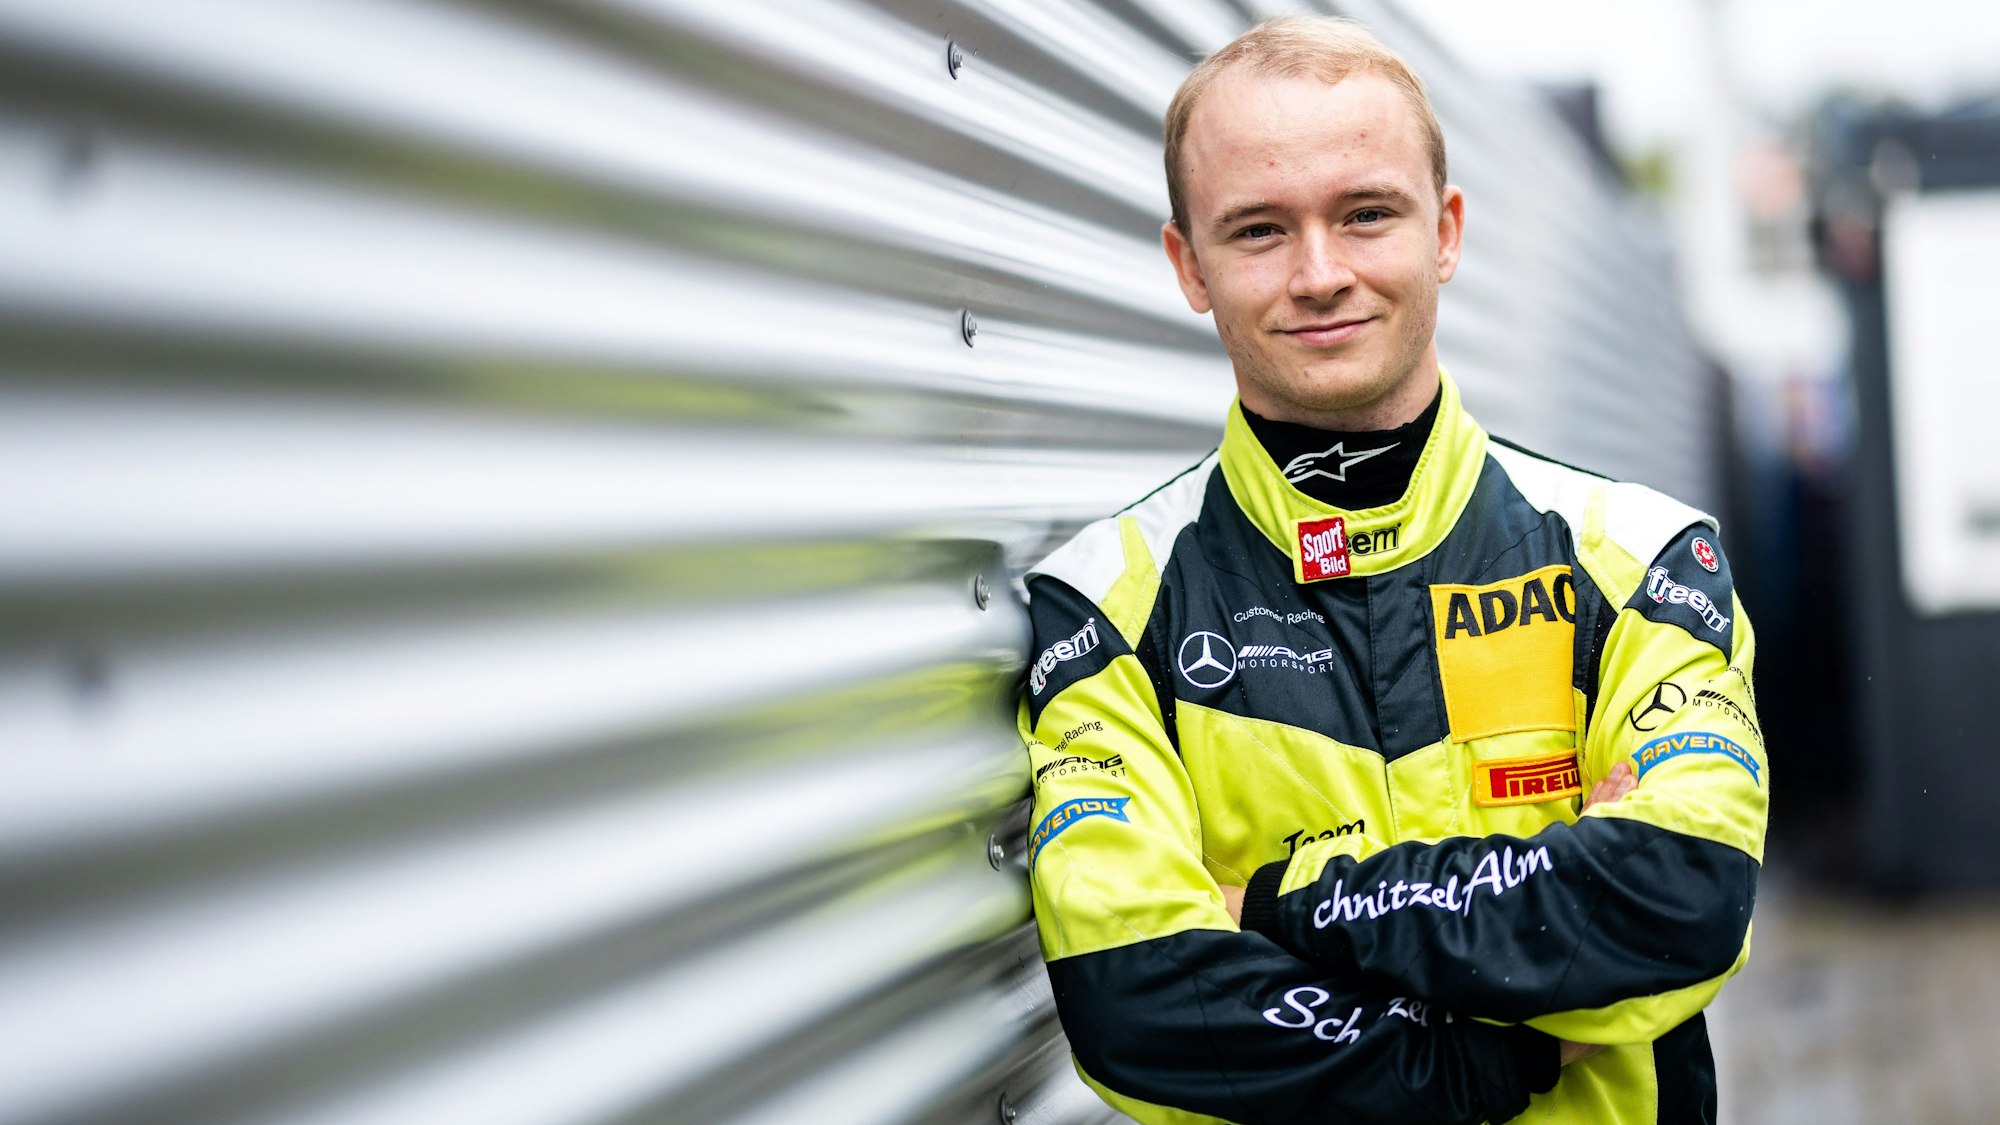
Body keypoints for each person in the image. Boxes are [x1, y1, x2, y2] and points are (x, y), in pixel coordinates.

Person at [1016, 15, 1767, 1125]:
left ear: (1445, 231)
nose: (1320, 274)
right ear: (1188, 265)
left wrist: (1273, 909)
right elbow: (1138, 1002)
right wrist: (1495, 1054)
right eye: (1258, 230)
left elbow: (1677, 894)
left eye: (1364, 214)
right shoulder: (1103, 607)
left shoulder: (1642, 559)